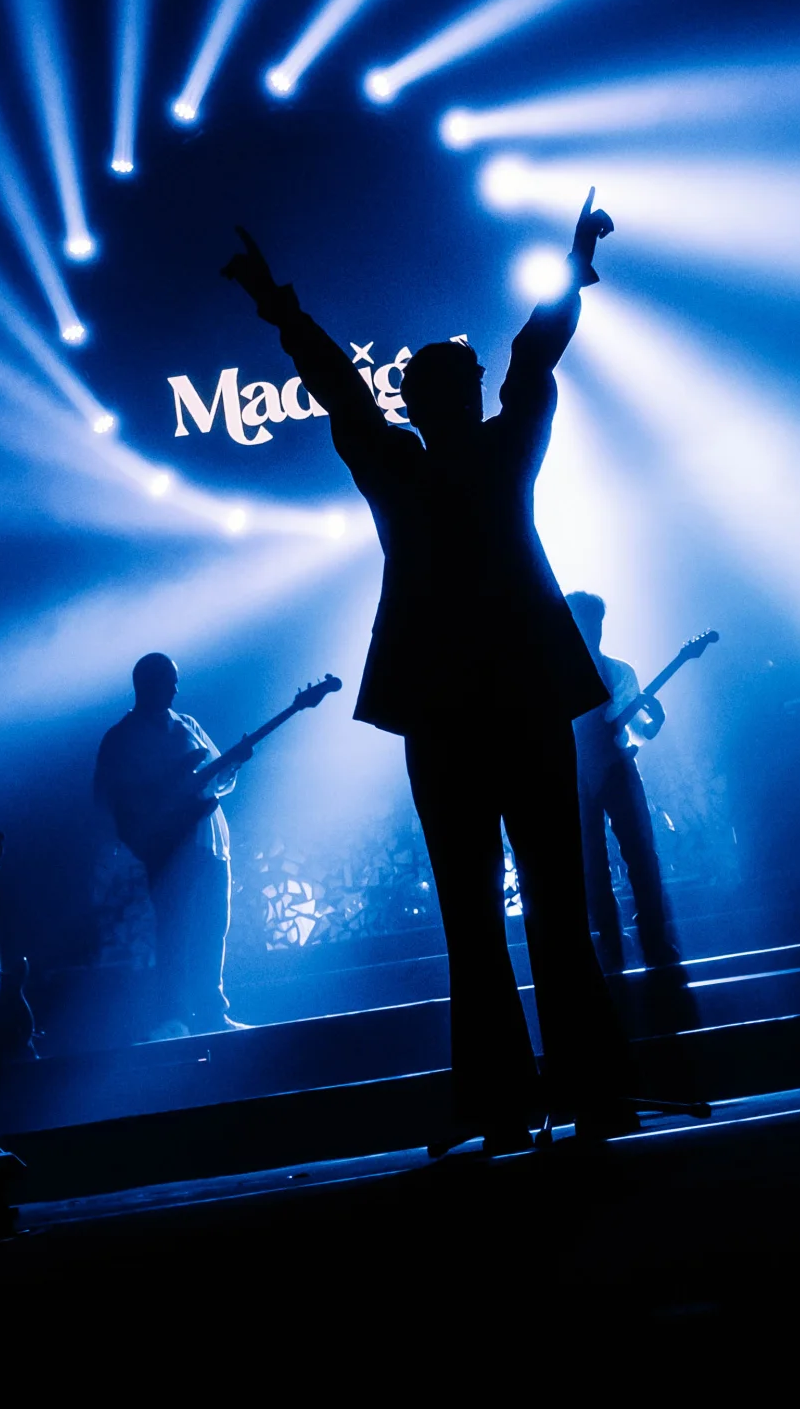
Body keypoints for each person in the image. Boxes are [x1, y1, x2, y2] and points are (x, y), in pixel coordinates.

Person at [220, 197, 634, 1149]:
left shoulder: (399, 469)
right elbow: (532, 359)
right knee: (556, 903)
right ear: (466, 394)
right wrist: (574, 266)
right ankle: (591, 1088)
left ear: (412, 404)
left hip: (443, 711)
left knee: (471, 915)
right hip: (525, 695)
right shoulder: (500, 452)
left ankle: (503, 1104)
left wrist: (279, 309)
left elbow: (342, 390)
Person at [92, 652, 242, 1039]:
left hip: (210, 841)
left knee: (213, 928)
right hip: (169, 850)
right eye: (168, 681)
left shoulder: (188, 725)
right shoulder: (122, 737)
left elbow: (216, 778)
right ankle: (173, 1020)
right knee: (175, 933)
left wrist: (232, 764)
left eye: (175, 681)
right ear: (146, 683)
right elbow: (109, 798)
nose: (176, 688)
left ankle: (212, 1013)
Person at [563, 591, 684, 979]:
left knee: (642, 856)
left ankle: (654, 942)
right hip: (575, 778)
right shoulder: (555, 676)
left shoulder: (620, 672)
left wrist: (653, 724)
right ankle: (611, 948)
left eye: (596, 624)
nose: (592, 631)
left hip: (618, 772)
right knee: (592, 865)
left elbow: (635, 734)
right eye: (584, 623)